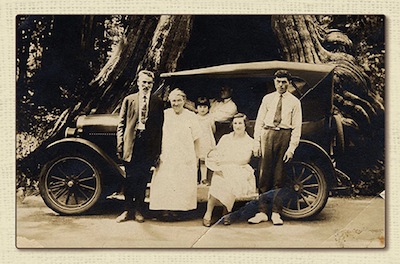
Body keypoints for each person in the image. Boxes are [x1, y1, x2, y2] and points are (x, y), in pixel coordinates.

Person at [252, 69, 302, 225]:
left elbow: (297, 127)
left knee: (279, 176)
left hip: (284, 136)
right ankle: (261, 212)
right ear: (274, 82)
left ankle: (275, 213)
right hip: (267, 135)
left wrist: (291, 148)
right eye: (278, 81)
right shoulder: (267, 99)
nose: (281, 85)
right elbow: (259, 122)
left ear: (289, 83)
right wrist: (257, 142)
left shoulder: (295, 102)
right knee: (264, 175)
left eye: (284, 82)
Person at [115, 70, 164, 223]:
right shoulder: (129, 100)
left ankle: (138, 211)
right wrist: (121, 144)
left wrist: (157, 151)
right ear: (138, 83)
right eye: (143, 82)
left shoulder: (157, 102)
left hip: (147, 145)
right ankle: (127, 210)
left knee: (142, 179)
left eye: (149, 83)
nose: (146, 85)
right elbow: (121, 124)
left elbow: (159, 129)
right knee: (129, 178)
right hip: (131, 144)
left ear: (152, 84)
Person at [149, 88, 202, 215]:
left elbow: (197, 139)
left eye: (179, 100)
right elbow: (157, 135)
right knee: (166, 181)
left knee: (181, 183)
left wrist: (196, 157)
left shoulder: (191, 116)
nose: (176, 104)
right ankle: (165, 210)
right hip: (167, 153)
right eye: (173, 101)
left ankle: (179, 211)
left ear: (184, 101)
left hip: (185, 155)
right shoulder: (165, 114)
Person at [202, 113, 258, 227]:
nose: (237, 126)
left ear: (245, 125)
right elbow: (217, 152)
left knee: (228, 179)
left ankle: (226, 210)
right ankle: (208, 212)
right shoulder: (225, 138)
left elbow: (244, 160)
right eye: (235, 123)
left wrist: (225, 162)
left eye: (240, 123)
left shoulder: (249, 141)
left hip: (241, 169)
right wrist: (217, 161)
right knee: (218, 178)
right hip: (223, 167)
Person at [222, 187, 297, 225]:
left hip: (286, 188)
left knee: (265, 197)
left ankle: (234, 215)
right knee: (263, 196)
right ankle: (262, 213)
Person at [195, 97, 216, 186]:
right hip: (197, 141)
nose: (202, 109)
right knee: (195, 161)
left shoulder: (210, 118)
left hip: (206, 141)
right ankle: (195, 178)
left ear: (208, 108)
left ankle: (203, 179)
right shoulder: (194, 118)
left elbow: (213, 129)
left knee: (204, 161)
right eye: (200, 107)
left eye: (204, 107)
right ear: (197, 108)